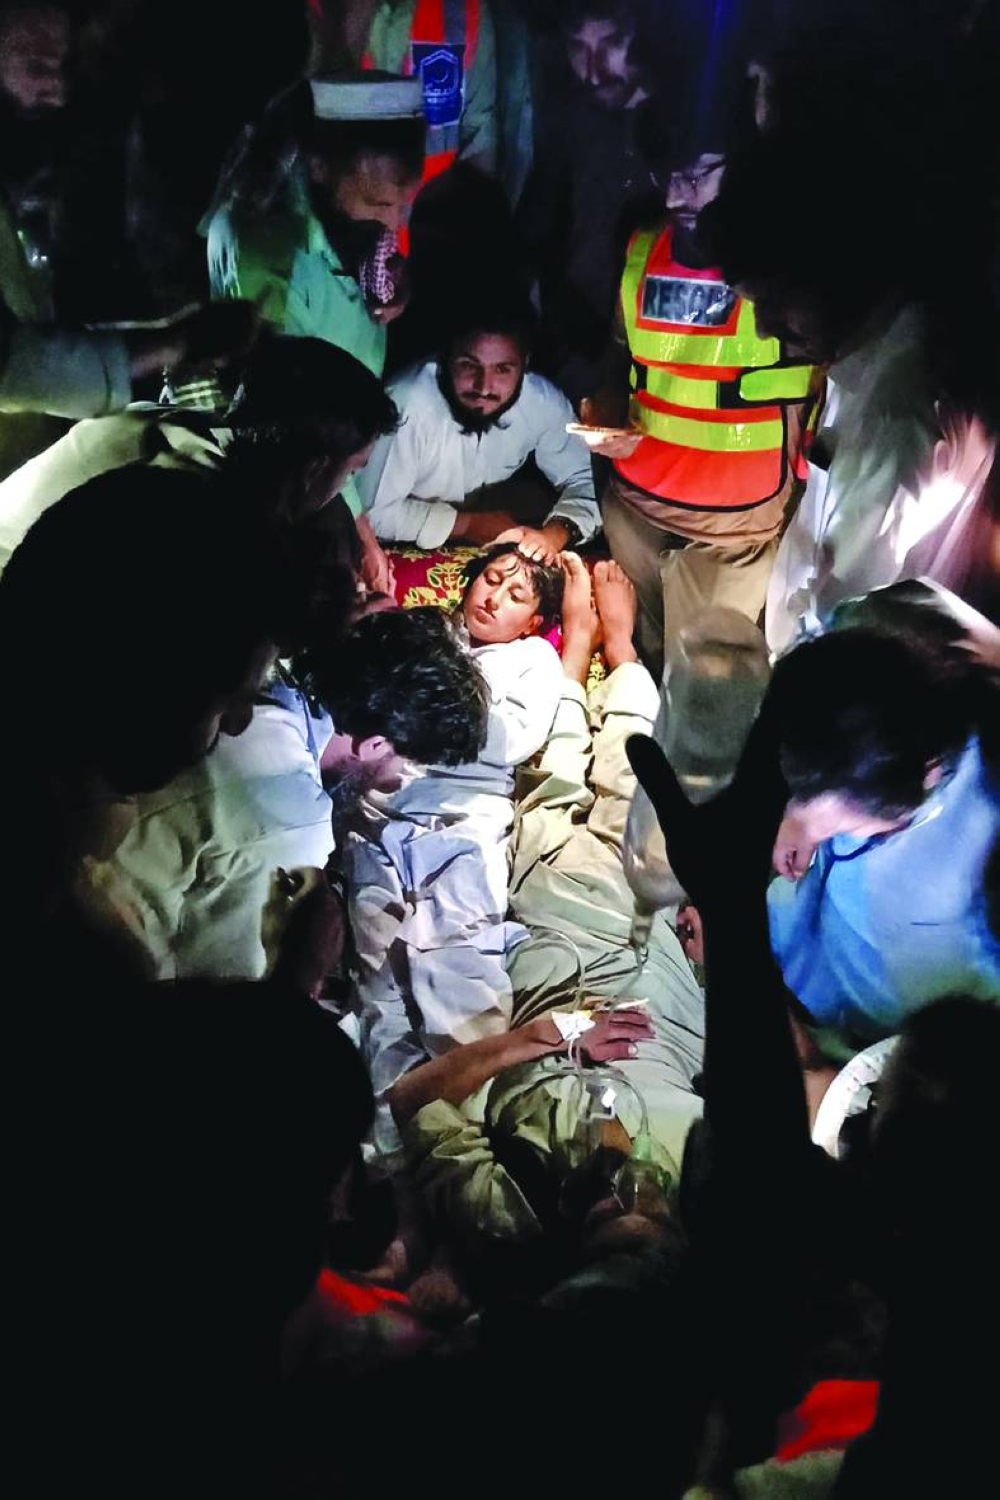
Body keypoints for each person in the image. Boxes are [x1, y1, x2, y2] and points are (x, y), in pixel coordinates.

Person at [388, 555, 706, 1260]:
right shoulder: (719, 1183)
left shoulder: (511, 1214)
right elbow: (794, 1067)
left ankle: (576, 656)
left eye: (596, 1211)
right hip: (649, 953)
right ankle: (619, 653)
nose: (617, 1188)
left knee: (547, 790)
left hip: (542, 943)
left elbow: (412, 1103)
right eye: (642, 1205)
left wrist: (548, 1037)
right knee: (633, 791)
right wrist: (724, 954)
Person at [87, 604, 490, 985]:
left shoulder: (255, 668)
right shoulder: (296, 824)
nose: (396, 779)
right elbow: (234, 984)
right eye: (407, 763)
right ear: (373, 744)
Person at [585, 85, 816, 678]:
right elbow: (620, 360)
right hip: (634, 512)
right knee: (646, 671)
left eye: (700, 174)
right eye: (668, 174)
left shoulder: (793, 262)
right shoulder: (641, 248)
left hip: (734, 533)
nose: (677, 193)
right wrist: (604, 411)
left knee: (708, 699)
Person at [340, 542, 564, 1154]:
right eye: (490, 579)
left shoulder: (530, 661)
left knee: (458, 963)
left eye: (516, 595)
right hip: (382, 812)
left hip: (461, 821)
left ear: (535, 622)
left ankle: (477, 1130)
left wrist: (439, 696)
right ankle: (386, 1147)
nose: (494, 596)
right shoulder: (429, 632)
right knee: (377, 970)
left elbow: (514, 738)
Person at [0, 335, 398, 584]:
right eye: (350, 473)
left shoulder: (202, 429)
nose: (343, 491)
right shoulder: (200, 506)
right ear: (314, 469)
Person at [766, 625, 1000, 1047]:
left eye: (845, 825)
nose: (834, 833)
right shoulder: (869, 676)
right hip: (797, 963)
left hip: (861, 1057)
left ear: (926, 777)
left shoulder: (980, 865)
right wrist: (799, 817)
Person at [357, 300, 599, 559]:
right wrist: (467, 525)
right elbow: (370, 512)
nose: (484, 387)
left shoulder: (542, 401)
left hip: (492, 504)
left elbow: (586, 478)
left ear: (525, 364)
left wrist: (554, 535)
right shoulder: (407, 404)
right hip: (405, 520)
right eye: (469, 366)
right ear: (447, 357)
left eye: (503, 369)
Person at [517, 0, 669, 403]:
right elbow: (542, 232)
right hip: (577, 361)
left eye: (611, 43)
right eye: (577, 47)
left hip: (668, 365)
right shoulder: (570, 119)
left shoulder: (688, 125)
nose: (593, 70)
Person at [308, 0, 497, 180]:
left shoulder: (463, 8)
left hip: (429, 208)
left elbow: (479, 137)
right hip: (335, 209)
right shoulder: (316, 13)